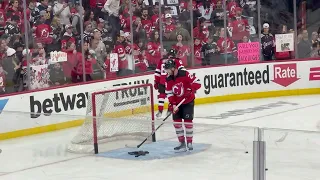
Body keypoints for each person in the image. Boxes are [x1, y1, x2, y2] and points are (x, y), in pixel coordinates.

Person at [164, 59, 201, 151]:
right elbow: (169, 93)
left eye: (168, 69)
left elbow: (198, 83)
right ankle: (182, 143)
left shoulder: (184, 74)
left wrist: (191, 89)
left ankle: (189, 142)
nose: (166, 71)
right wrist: (172, 104)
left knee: (188, 122)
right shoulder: (168, 79)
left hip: (188, 101)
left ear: (173, 68)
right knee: (177, 123)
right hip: (177, 103)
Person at [154, 49, 184, 118]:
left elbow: (157, 73)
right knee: (171, 96)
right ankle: (169, 110)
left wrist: (156, 81)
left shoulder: (161, 60)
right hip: (171, 81)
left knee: (161, 96)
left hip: (162, 81)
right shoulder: (176, 60)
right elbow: (181, 70)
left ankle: (160, 111)